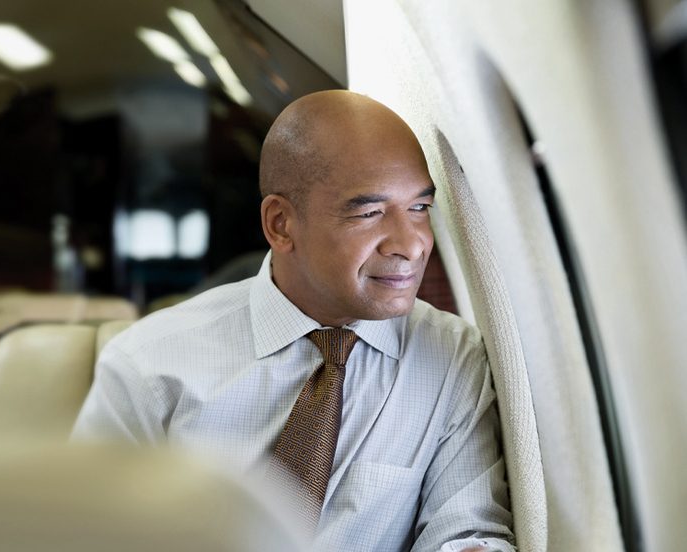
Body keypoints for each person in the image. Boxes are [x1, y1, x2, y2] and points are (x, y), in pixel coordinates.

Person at [72, 90, 515, 551]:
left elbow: (466, 530)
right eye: (369, 213)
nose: (412, 243)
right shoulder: (149, 365)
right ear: (281, 224)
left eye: (420, 208)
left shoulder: (453, 358)